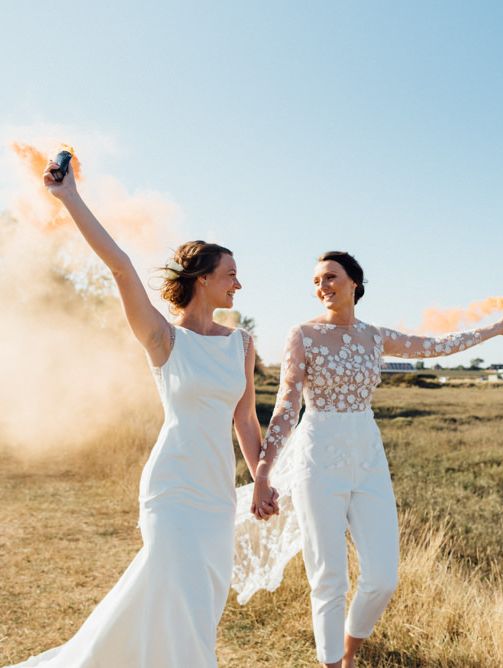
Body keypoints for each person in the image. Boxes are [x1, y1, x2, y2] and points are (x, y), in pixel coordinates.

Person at [6, 160, 277, 667]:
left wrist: (260, 477)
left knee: (197, 603)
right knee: (174, 587)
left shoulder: (241, 343)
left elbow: (245, 420)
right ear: (201, 279)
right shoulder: (162, 337)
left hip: (216, 493)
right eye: (230, 275)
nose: (238, 285)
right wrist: (70, 198)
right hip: (172, 488)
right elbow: (121, 266)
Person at [234, 251, 503, 668]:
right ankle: (333, 664)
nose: (322, 286)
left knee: (383, 578)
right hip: (319, 456)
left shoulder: (375, 336)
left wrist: (493, 330)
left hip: (367, 453)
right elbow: (285, 407)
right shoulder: (302, 335)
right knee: (329, 577)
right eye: (316, 281)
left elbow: (436, 346)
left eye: (330, 277)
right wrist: (263, 471)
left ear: (354, 282)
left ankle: (349, 652)